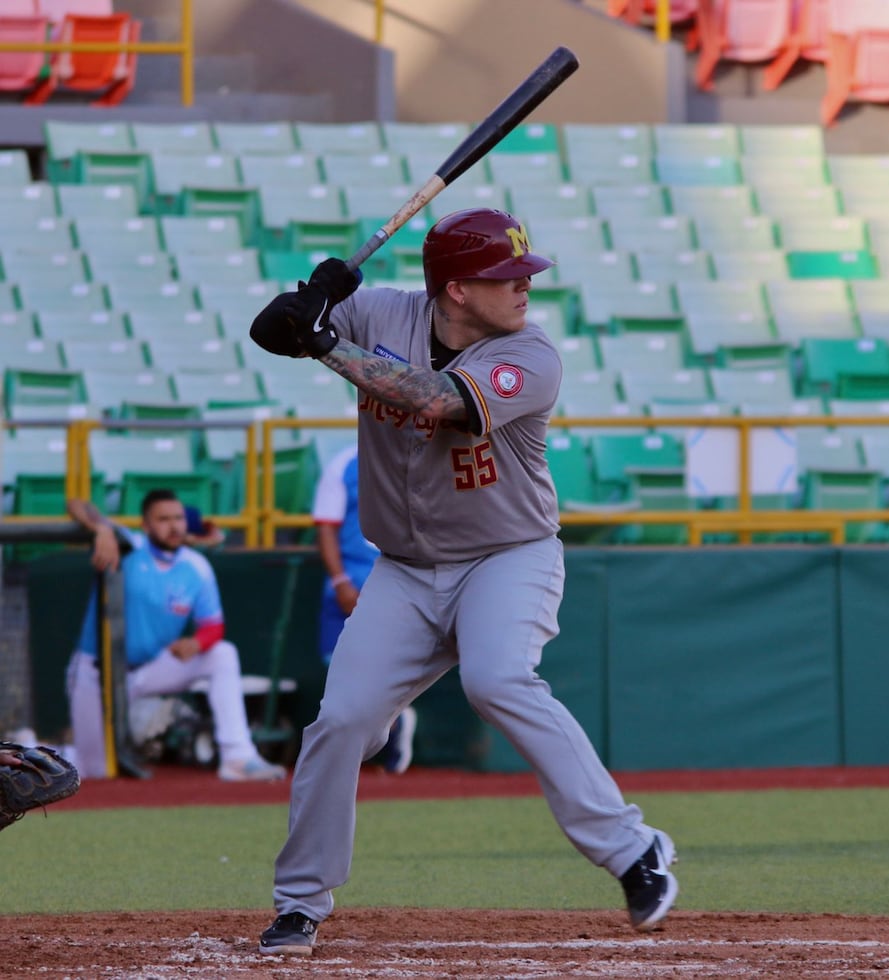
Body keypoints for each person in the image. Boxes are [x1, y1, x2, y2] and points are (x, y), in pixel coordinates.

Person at [249, 208, 677, 957]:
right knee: (342, 721)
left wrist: (324, 345)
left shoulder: (531, 353)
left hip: (507, 556)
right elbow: (270, 331)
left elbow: (438, 401)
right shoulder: (379, 309)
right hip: (405, 571)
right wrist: (309, 301)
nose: (523, 288)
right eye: (505, 276)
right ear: (453, 289)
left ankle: (631, 848)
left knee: (497, 678)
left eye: (523, 273)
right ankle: (300, 903)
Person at [64, 489, 286, 783]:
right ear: (146, 525)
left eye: (179, 518)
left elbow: (213, 626)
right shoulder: (129, 544)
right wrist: (102, 529)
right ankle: (34, 751)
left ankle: (237, 756)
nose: (174, 526)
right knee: (95, 770)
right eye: (163, 519)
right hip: (97, 673)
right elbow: (76, 503)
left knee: (222, 654)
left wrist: (197, 643)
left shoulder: (197, 566)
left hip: (148, 670)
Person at [312, 443, 416, 775]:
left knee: (387, 664)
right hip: (352, 578)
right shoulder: (344, 462)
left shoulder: (418, 454)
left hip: (397, 575)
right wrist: (341, 580)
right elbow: (326, 524)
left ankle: (391, 724)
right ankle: (380, 728)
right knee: (337, 665)